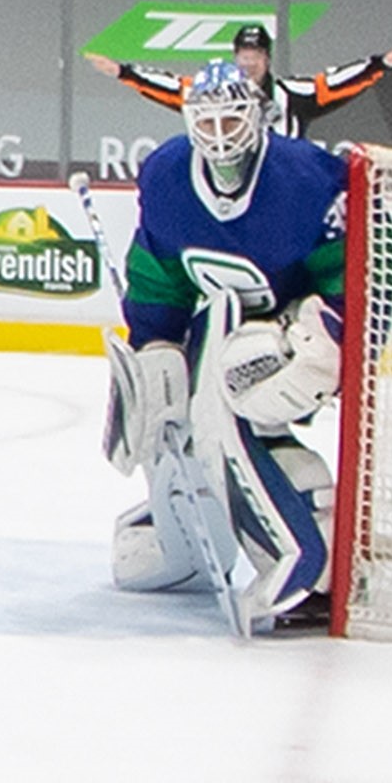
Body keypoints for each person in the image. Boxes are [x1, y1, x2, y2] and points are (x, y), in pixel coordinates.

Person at [101, 52, 345, 633]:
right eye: (206, 124)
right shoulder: (166, 176)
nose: (219, 137)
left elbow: (349, 270)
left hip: (290, 336)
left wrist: (329, 333)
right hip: (209, 332)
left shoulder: (307, 178)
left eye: (231, 121)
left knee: (245, 394)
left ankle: (310, 559)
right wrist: (155, 346)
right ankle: (178, 522)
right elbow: (157, 271)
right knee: (181, 428)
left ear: (258, 118)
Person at [93, 16, 392, 129]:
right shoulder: (215, 92)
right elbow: (174, 88)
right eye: (243, 55)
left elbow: (338, 82)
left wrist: (386, 61)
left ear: (267, 58)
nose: (249, 62)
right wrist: (124, 72)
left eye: (256, 55)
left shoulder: (292, 94)